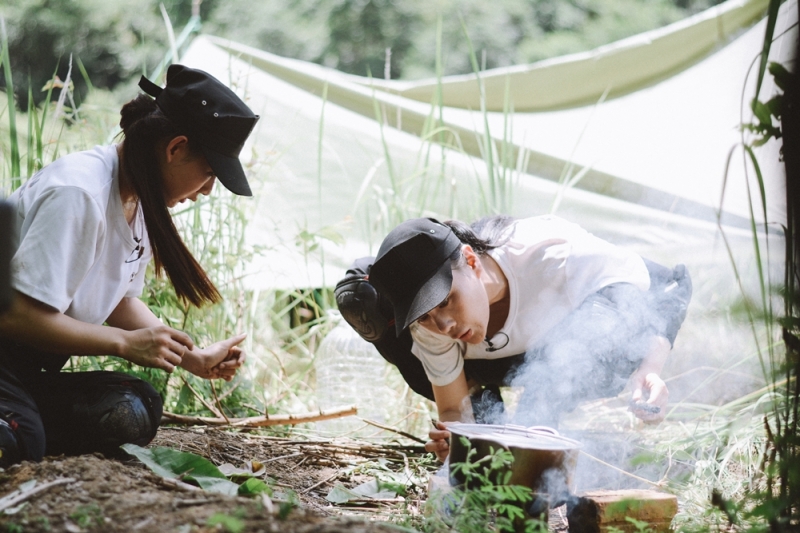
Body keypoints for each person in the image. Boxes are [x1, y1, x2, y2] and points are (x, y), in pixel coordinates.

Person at [0, 65, 259, 466]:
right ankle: (21, 428)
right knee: (18, 442)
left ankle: (21, 421)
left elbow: (118, 298)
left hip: (28, 369)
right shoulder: (79, 192)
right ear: (175, 149)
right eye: (208, 174)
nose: (207, 190)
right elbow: (16, 316)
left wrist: (194, 358)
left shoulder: (138, 199)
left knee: (134, 407)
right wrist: (123, 344)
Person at [336, 215, 691, 461]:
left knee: (597, 334)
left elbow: (653, 294)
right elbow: (451, 409)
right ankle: (509, 431)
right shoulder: (428, 326)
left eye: (447, 301)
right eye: (427, 316)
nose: (443, 324)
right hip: (507, 359)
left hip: (579, 334)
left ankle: (538, 427)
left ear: (471, 261)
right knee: (487, 446)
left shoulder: (554, 255)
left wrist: (650, 368)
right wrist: (459, 442)